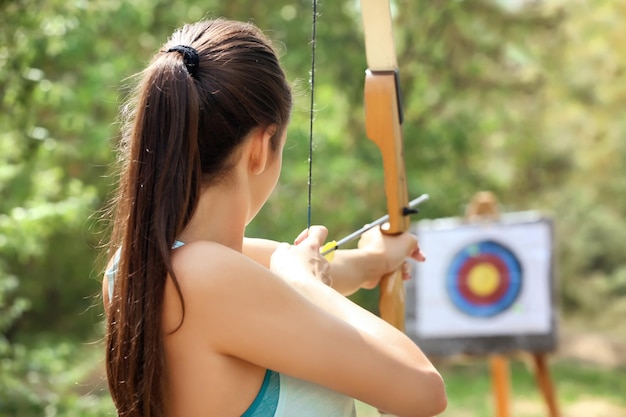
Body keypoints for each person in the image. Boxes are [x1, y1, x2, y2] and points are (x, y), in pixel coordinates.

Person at [102, 18, 447, 417]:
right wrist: (304, 279)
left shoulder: (139, 261)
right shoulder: (207, 276)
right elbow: (422, 390)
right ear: (261, 147)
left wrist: (379, 257)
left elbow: (304, 277)